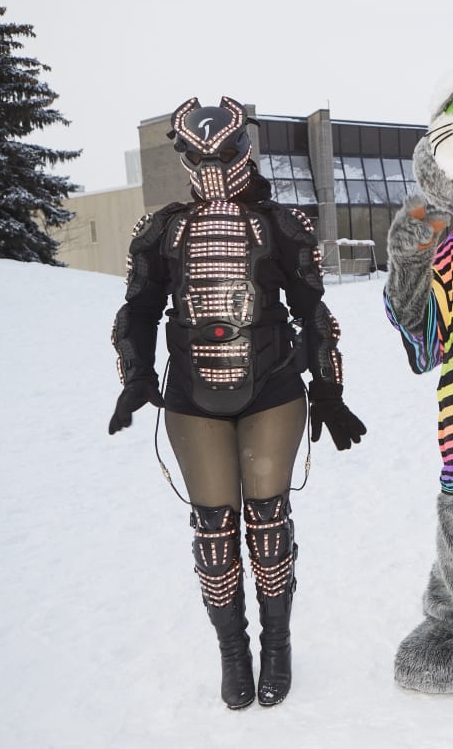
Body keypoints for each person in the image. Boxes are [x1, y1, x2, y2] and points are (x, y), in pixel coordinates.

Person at [107, 96, 366, 709]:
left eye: (223, 152)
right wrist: (137, 375)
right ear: (183, 157)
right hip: (192, 396)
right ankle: (232, 651)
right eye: (199, 155)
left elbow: (313, 313)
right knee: (214, 530)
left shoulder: (280, 224)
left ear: (244, 147)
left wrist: (328, 391)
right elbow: (138, 311)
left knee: (268, 522)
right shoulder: (163, 229)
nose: (213, 165)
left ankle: (277, 646)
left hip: (273, 386)